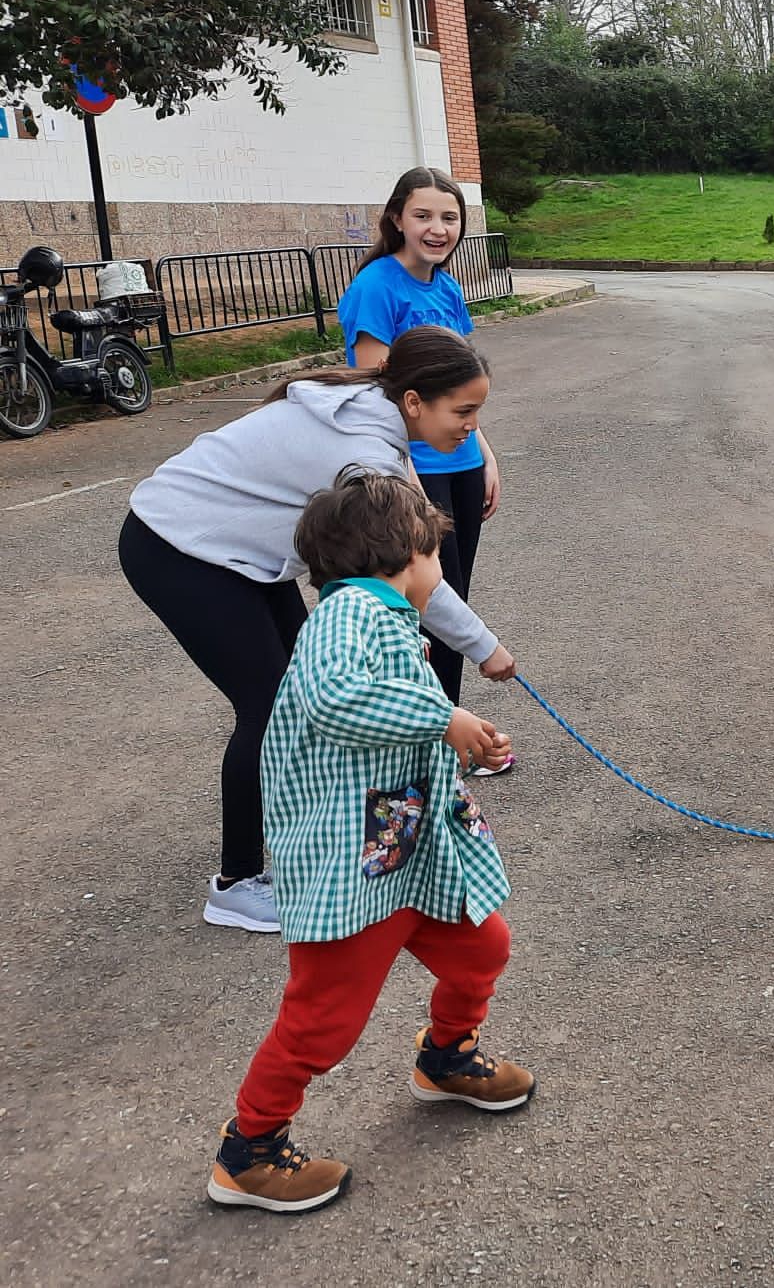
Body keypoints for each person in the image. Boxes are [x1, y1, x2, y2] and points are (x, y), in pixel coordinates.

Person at [205, 470, 531, 1215]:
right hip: (350, 872)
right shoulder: (349, 614)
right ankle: (249, 1149)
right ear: (410, 550)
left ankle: (446, 1056)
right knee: (323, 1018)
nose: (439, 567)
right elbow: (337, 699)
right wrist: (445, 719)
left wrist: (465, 745)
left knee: (483, 947)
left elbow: (385, 738)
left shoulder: (381, 617)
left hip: (405, 855)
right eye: (436, 551)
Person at [120, 326, 517, 935]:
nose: (471, 425)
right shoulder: (364, 454)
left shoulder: (379, 415)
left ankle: (304, 847)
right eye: (463, 411)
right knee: (272, 707)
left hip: (239, 551)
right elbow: (410, 571)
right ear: (415, 402)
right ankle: (237, 883)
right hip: (178, 546)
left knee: (296, 698)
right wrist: (485, 648)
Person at [337, 167, 511, 774]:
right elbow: (378, 396)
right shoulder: (375, 288)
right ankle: (435, 737)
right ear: (396, 220)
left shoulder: (447, 288)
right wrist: (407, 485)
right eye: (424, 216)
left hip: (460, 463)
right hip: (412, 470)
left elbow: (462, 388)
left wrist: (485, 454)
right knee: (420, 598)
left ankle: (451, 733)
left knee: (451, 594)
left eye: (450, 217)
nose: (438, 229)